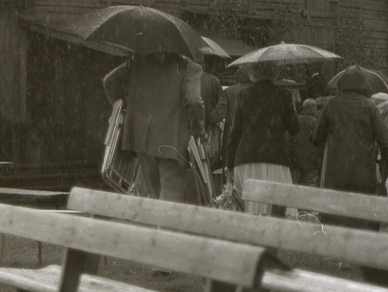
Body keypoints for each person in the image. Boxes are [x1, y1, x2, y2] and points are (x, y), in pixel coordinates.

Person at [103, 50, 212, 203]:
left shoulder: (138, 62)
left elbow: (109, 82)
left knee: (153, 199)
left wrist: (126, 110)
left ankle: (156, 226)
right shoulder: (188, 67)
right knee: (169, 203)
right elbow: (194, 101)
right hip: (172, 143)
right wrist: (199, 131)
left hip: (142, 141)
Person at [224, 63, 300, 215]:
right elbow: (294, 128)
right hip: (275, 157)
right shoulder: (284, 95)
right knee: (277, 210)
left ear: (253, 73)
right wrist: (291, 108)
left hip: (246, 156)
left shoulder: (242, 95)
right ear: (275, 73)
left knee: (250, 208)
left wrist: (229, 163)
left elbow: (235, 131)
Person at [312, 65, 388, 194]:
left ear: (342, 83)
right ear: (365, 85)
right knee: (359, 212)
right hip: (363, 176)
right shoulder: (370, 107)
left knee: (337, 212)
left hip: (335, 176)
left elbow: (316, 137)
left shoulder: (332, 104)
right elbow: (386, 144)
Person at [288, 97, 323, 188]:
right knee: (312, 180)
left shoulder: (296, 119)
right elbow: (320, 138)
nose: (316, 110)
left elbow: (289, 136)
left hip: (296, 156)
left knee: (296, 181)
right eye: (315, 107)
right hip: (313, 156)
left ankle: (294, 199)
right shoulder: (316, 122)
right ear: (311, 107)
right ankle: (311, 200)